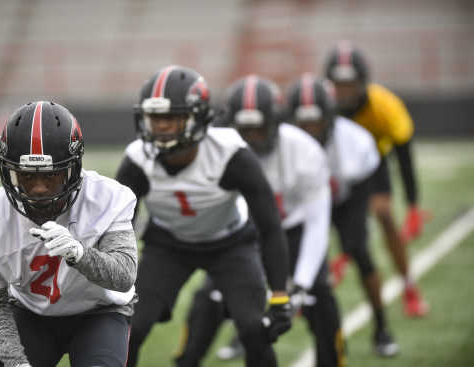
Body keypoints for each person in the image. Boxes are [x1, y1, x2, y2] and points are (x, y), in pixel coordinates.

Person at [115, 66, 292, 367]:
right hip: (168, 245)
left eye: (171, 118)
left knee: (254, 328)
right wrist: (113, 286)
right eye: (155, 118)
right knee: (130, 326)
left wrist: (279, 295)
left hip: (231, 244)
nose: (161, 128)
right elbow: (118, 227)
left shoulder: (232, 155)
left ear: (197, 117)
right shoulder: (137, 159)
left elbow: (270, 227)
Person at [175, 75, 346, 367]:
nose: (251, 137)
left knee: (322, 301)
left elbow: (318, 224)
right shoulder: (214, 151)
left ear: (276, 122)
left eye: (258, 128)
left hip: (294, 232)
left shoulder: (305, 152)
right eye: (244, 129)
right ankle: (186, 360)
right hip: (241, 236)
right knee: (209, 300)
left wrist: (301, 285)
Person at [0, 101, 138, 367]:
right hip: (31, 313)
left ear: (73, 171)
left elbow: (124, 277)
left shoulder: (108, 197)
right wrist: (16, 362)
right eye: (26, 176)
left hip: (100, 312)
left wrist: (79, 254)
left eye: (51, 176)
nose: (37, 189)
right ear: (8, 171)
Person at [289, 73, 399, 356]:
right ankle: (248, 332)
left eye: (315, 121)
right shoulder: (283, 143)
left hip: (344, 201)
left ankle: (382, 327)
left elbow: (365, 183)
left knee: (359, 250)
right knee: (288, 261)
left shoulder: (354, 141)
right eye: (302, 122)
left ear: (329, 116)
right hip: (303, 204)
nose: (309, 130)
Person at [324, 41, 429, 317]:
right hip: (332, 167)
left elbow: (404, 156)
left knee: (383, 214)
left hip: (373, 164)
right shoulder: (323, 106)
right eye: (339, 84)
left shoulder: (385, 105)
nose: (344, 91)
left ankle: (409, 286)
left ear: (363, 82)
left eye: (350, 83)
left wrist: (413, 206)